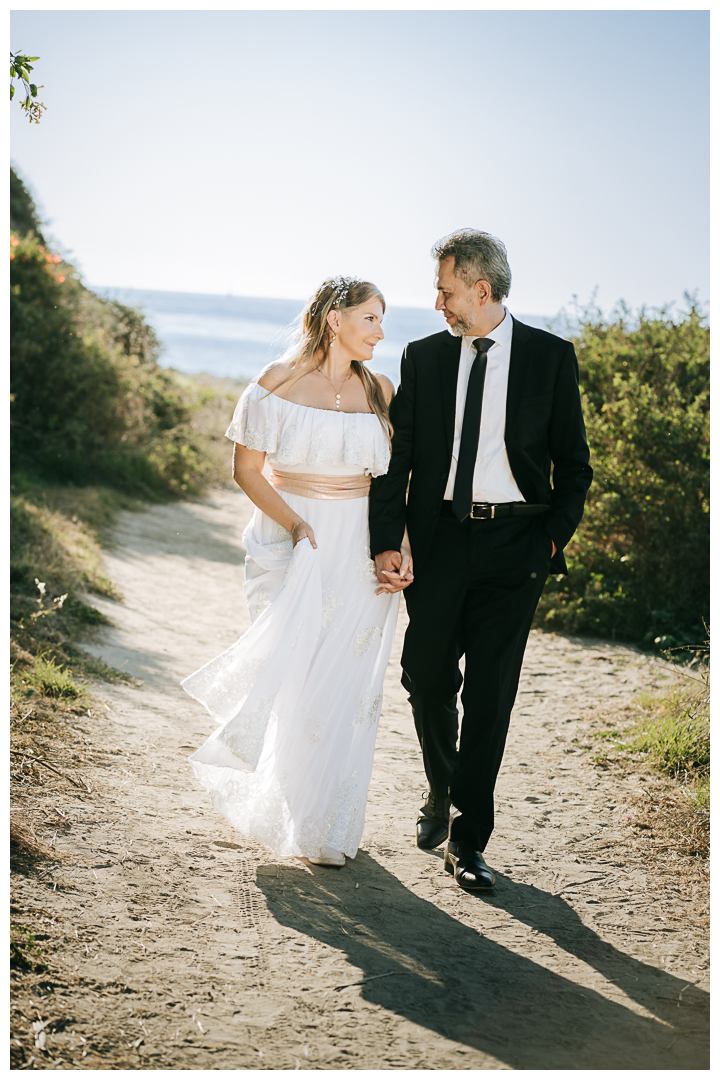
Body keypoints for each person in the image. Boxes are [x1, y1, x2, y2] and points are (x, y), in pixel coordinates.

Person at [369, 230, 592, 892]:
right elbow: (397, 462)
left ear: (481, 290)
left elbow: (573, 464)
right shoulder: (426, 358)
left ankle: (467, 840)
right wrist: (388, 539)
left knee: (491, 697)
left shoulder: (551, 358)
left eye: (445, 290)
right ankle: (441, 788)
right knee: (426, 677)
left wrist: (552, 538)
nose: (438, 302)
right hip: (439, 541)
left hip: (516, 548)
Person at [182, 277, 412, 868]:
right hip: (298, 541)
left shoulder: (382, 390)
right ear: (335, 319)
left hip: (360, 546)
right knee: (299, 676)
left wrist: (400, 547)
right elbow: (248, 471)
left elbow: (394, 485)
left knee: (350, 683)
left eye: (382, 321)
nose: (380, 332)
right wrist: (293, 525)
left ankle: (329, 824)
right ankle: (290, 809)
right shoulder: (275, 383)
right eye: (371, 318)